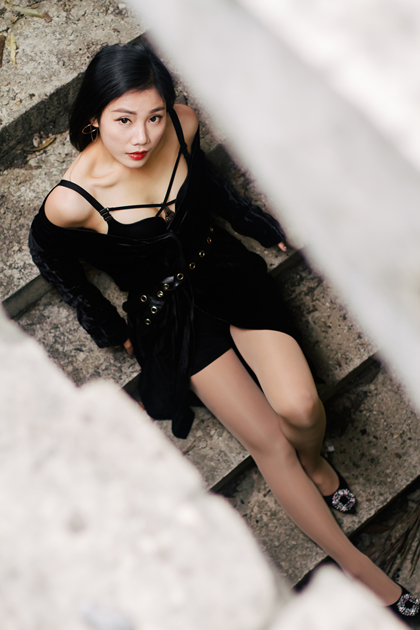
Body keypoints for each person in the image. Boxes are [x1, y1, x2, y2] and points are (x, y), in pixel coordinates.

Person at [29, 42, 419, 620]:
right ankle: (358, 568)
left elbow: (206, 185)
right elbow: (48, 255)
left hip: (223, 270)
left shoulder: (182, 125)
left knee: (301, 409)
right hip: (171, 314)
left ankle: (316, 462)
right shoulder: (72, 201)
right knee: (269, 442)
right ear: (93, 118)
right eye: (123, 120)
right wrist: (104, 323)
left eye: (154, 116)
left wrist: (248, 217)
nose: (142, 137)